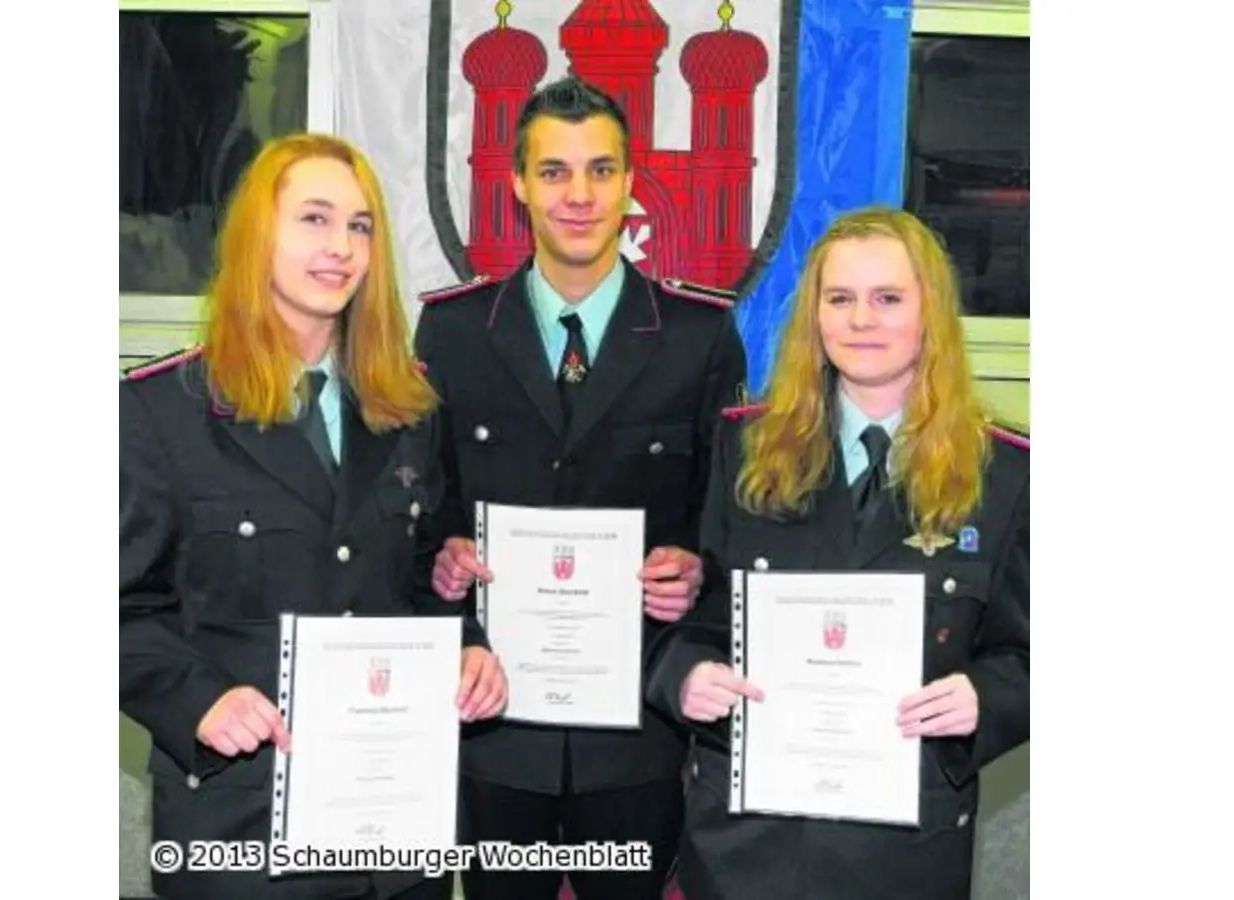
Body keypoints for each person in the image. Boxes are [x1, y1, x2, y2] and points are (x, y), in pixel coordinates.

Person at [120, 133, 507, 900]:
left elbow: (430, 576)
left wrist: (468, 649)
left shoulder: (410, 408)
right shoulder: (157, 411)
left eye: (359, 226)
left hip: (393, 836)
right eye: (315, 219)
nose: (340, 247)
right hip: (242, 832)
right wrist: (199, 699)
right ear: (258, 234)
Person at [412, 76, 748, 900]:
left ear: (630, 182)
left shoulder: (698, 335)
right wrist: (441, 555)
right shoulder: (453, 330)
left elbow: (730, 514)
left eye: (601, 170)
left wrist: (699, 570)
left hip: (634, 724)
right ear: (519, 184)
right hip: (494, 720)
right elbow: (420, 503)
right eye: (555, 172)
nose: (578, 195)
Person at [645, 207, 1030, 900]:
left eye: (887, 299)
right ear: (814, 318)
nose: (862, 321)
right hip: (746, 847)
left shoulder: (1005, 475)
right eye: (840, 299)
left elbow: (1028, 657)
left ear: (930, 314)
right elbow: (691, 617)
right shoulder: (745, 451)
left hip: (905, 850)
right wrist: (687, 675)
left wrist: (985, 699)